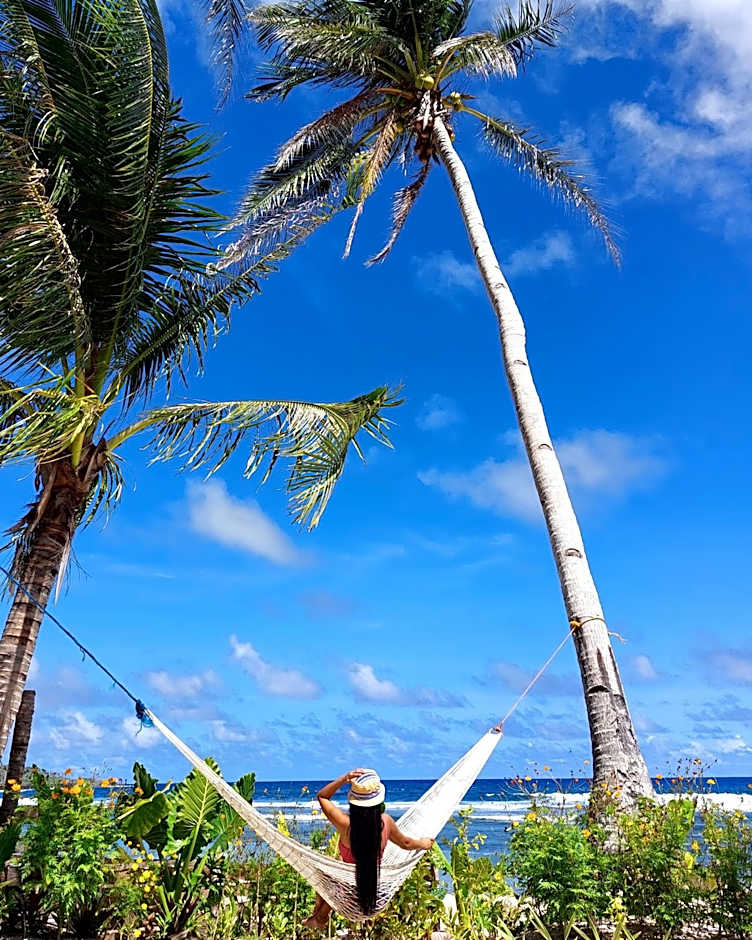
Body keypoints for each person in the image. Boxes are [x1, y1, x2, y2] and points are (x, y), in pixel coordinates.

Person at [303, 768, 434, 929]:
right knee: (338, 868)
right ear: (379, 801)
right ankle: (319, 916)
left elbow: (322, 796)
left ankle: (320, 916)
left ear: (354, 801)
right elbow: (406, 843)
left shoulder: (346, 825)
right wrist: (423, 843)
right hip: (373, 895)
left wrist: (344, 778)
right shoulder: (385, 822)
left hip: (347, 896)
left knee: (324, 870)